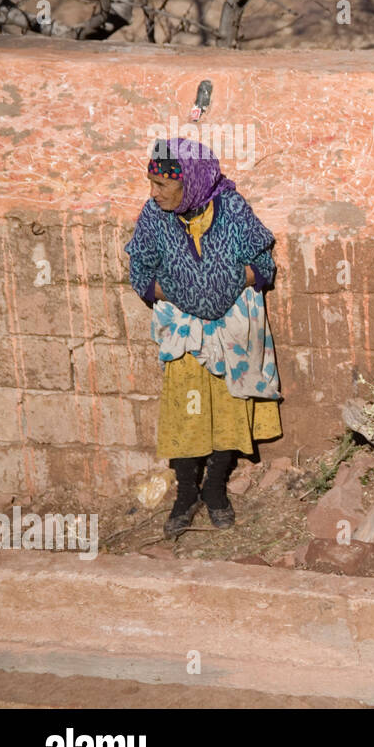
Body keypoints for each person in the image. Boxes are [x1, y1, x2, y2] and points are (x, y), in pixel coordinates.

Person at [124, 138, 282, 538]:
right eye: (151, 183)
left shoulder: (231, 209)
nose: (153, 193)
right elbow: (140, 272)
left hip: (231, 324)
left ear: (190, 182)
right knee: (185, 410)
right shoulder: (154, 216)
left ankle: (214, 490)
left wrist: (225, 287)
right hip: (184, 330)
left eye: (162, 185)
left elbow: (263, 263)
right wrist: (181, 292)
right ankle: (185, 492)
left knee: (229, 404)